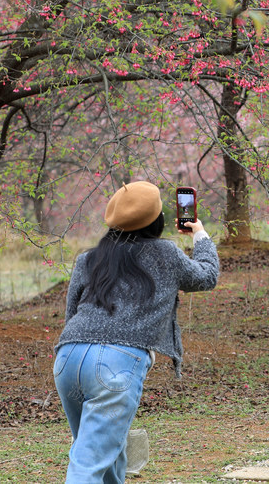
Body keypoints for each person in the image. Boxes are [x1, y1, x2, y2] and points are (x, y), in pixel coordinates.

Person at [53, 181, 219, 483]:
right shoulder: (165, 254)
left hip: (68, 356)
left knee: (107, 452)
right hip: (115, 364)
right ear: (157, 221)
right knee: (89, 463)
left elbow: (72, 312)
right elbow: (207, 276)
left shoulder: (88, 258)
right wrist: (200, 234)